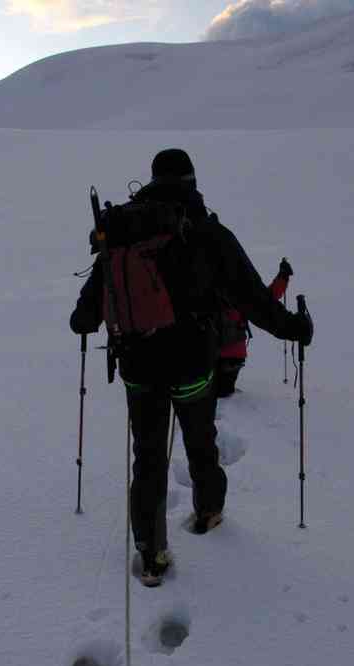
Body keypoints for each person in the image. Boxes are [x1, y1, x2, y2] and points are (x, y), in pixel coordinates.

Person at [70, 148, 313, 587]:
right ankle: (208, 512)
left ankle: (151, 553)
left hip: (137, 367)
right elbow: (254, 300)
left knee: (146, 458)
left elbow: (82, 318)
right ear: (192, 181)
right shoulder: (206, 232)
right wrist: (296, 329)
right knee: (200, 441)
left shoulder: (122, 231)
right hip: (191, 366)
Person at [216, 258, 293, 398]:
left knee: (215, 395)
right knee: (223, 393)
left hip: (212, 354)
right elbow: (267, 299)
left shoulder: (205, 289)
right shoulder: (240, 294)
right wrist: (283, 277)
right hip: (233, 355)